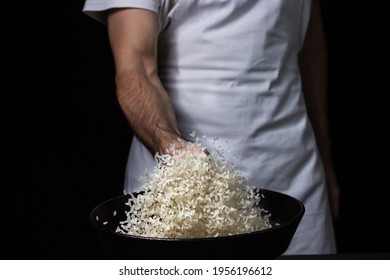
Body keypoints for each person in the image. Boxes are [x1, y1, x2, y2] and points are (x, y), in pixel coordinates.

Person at [82, 0, 339, 255]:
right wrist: (172, 146)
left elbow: (310, 54)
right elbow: (135, 68)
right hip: (181, 195)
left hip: (296, 180)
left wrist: (325, 159)